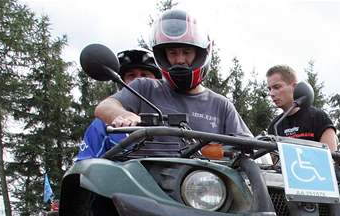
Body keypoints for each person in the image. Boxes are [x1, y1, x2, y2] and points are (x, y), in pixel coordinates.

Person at [94, 9, 251, 144]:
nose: (180, 60)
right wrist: (123, 114)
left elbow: (248, 145)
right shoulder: (145, 88)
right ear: (163, 55)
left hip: (205, 177)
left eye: (187, 52)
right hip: (145, 177)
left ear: (201, 54)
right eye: (173, 52)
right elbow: (105, 107)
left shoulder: (221, 105)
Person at [77, 48, 162, 160]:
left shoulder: (171, 120)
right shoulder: (104, 126)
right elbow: (85, 169)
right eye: (131, 76)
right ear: (121, 81)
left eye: (144, 75)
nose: (138, 81)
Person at [266, 65, 338, 150]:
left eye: (277, 87)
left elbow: (331, 159)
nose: (272, 93)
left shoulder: (318, 117)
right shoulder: (274, 126)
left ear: (294, 87)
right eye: (269, 89)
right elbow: (272, 161)